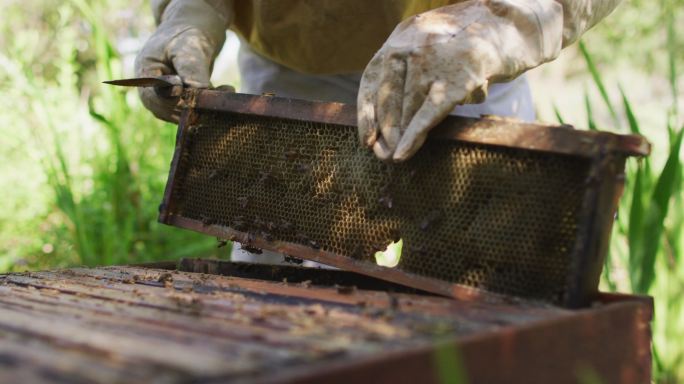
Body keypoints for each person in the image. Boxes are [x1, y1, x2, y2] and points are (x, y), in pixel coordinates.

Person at [136, 0, 620, 264]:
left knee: (486, 286)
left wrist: (503, 22)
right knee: (275, 285)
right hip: (296, 56)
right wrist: (190, 10)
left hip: (462, 57)